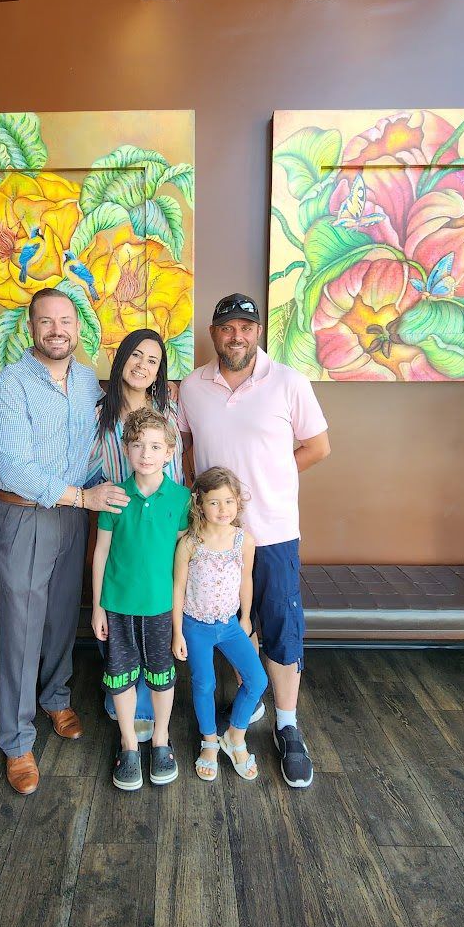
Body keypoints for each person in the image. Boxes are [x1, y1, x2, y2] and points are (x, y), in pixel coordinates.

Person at [177, 293, 330, 789]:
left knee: (281, 627)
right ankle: (247, 703)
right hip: (213, 540)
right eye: (227, 328)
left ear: (258, 332)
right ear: (213, 333)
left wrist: (273, 478)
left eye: (246, 327)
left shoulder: (289, 382)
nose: (236, 336)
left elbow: (318, 446)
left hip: (273, 532)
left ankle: (287, 726)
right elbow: (186, 445)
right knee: (225, 619)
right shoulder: (192, 387)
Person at [0, 287, 129, 796]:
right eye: (46, 321)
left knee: (63, 615)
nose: (57, 330)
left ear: (77, 327)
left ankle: (55, 698)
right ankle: (17, 741)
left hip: (72, 517)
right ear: (31, 328)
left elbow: (105, 439)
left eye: (65, 321)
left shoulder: (87, 381)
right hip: (25, 516)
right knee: (22, 631)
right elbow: (15, 467)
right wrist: (83, 497)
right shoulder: (10, 385)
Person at [87, 328, 185, 741]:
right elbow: (84, 468)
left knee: (157, 616)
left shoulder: (168, 409)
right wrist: (97, 494)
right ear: (122, 358)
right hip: (120, 520)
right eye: (136, 355)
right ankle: (124, 689)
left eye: (153, 360)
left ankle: (149, 698)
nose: (142, 365)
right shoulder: (99, 414)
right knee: (120, 614)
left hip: (161, 521)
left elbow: (178, 469)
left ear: (160, 371)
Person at [91, 407, 190, 791]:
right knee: (120, 678)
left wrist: (179, 618)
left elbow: (182, 560)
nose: (146, 454)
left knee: (161, 677)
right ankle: (129, 744)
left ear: (169, 452)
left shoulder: (180, 499)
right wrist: (98, 606)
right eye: (137, 445)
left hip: (161, 607)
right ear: (125, 449)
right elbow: (101, 553)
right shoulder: (114, 496)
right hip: (117, 606)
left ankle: (161, 740)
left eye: (155, 446)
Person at [172, 467, 268, 781]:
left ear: (238, 502)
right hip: (195, 625)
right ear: (200, 504)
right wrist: (177, 632)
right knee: (204, 684)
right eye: (214, 502)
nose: (223, 509)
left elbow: (246, 581)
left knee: (257, 680)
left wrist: (245, 617)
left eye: (228, 501)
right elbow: (178, 588)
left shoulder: (244, 541)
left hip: (229, 625)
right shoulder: (190, 543)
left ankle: (235, 736)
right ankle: (210, 741)